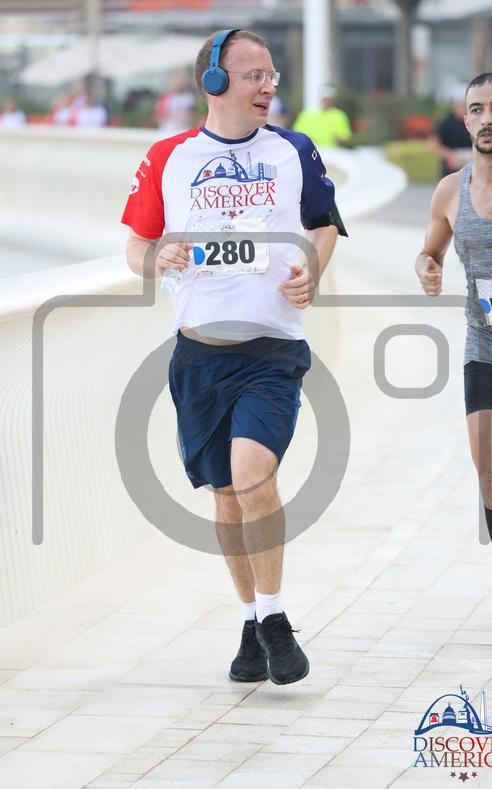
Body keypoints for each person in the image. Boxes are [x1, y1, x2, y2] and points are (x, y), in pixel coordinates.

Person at [122, 29, 347, 684]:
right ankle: (252, 622)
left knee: (253, 475)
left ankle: (275, 618)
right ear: (214, 83)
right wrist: (157, 256)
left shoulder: (293, 150)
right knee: (225, 496)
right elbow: (135, 248)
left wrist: (312, 268)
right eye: (254, 76)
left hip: (271, 352)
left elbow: (324, 224)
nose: (269, 86)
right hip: (199, 357)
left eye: (272, 75)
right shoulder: (168, 157)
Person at [416, 70, 492, 658]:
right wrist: (428, 268)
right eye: (477, 109)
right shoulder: (449, 191)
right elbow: (429, 250)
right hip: (489, 350)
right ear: (465, 119)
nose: (487, 118)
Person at [428, 84, 472, 177]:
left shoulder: (475, 121)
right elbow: (433, 144)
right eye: (460, 104)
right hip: (451, 172)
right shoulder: (446, 122)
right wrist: (451, 155)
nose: (463, 107)